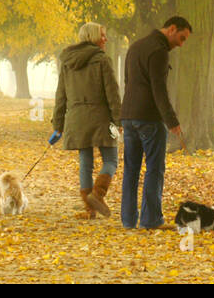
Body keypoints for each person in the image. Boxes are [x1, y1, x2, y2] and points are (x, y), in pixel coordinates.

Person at [119, 16, 192, 229]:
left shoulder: (135, 47)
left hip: (129, 115)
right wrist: (172, 121)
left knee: (131, 169)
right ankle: (151, 220)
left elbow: (127, 82)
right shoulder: (159, 52)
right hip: (149, 117)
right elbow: (158, 89)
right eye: (181, 37)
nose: (181, 43)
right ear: (171, 29)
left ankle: (128, 220)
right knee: (154, 168)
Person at [48, 22, 122, 218]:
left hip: (76, 118)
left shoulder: (67, 62)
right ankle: (97, 195)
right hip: (102, 119)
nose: (105, 39)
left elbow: (60, 95)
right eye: (102, 35)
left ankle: (89, 210)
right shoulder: (102, 60)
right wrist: (119, 121)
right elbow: (112, 94)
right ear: (93, 37)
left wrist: (58, 125)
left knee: (85, 162)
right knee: (112, 160)